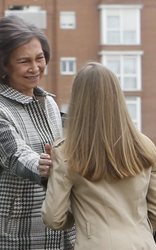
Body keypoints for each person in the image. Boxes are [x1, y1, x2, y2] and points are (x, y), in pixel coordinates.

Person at [41, 62, 156, 250]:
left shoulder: (66, 151)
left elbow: (53, 218)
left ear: (78, 99)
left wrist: (80, 218)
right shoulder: (143, 145)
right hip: (142, 243)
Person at [0, 15, 75, 249]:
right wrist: (41, 165)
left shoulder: (49, 103)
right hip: (18, 234)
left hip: (61, 229)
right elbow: (15, 155)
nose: (35, 68)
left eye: (40, 58)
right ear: (4, 65)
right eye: (24, 61)